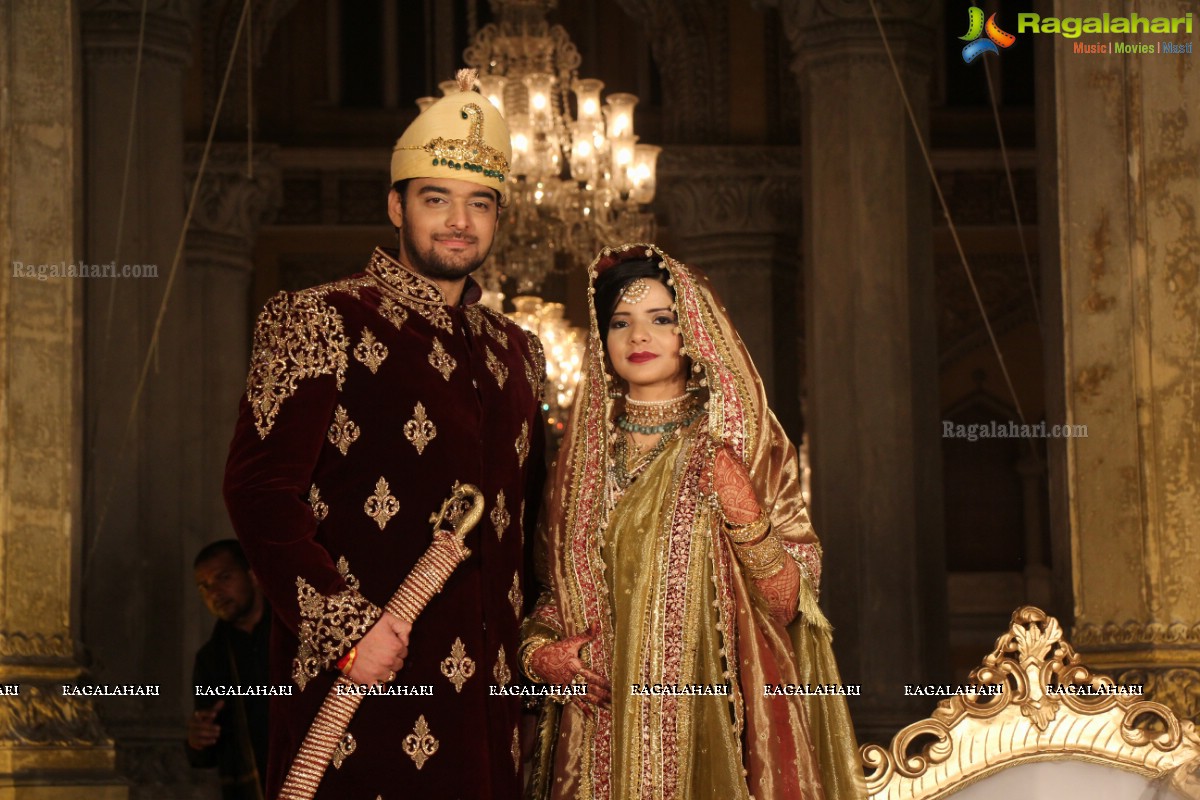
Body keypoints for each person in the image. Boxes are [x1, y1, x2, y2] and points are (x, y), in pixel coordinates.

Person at [223, 69, 545, 799]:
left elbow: (534, 530)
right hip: (363, 685)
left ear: (499, 218)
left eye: (480, 203)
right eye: (437, 200)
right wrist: (345, 630)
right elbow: (257, 492)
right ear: (396, 205)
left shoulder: (519, 351)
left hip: (492, 713)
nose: (459, 220)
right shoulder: (318, 318)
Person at [520, 243, 865, 800]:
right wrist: (541, 654)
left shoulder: (740, 446)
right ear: (601, 340)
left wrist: (742, 510)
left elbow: (789, 603)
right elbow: (549, 596)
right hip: (593, 733)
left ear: (695, 333)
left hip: (711, 725)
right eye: (620, 323)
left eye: (662, 320)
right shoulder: (576, 465)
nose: (638, 337)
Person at [187, 539, 271, 800]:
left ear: (253, 574)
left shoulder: (294, 632)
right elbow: (206, 753)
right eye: (205, 586)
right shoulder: (211, 659)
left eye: (224, 578)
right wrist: (197, 740)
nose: (215, 593)